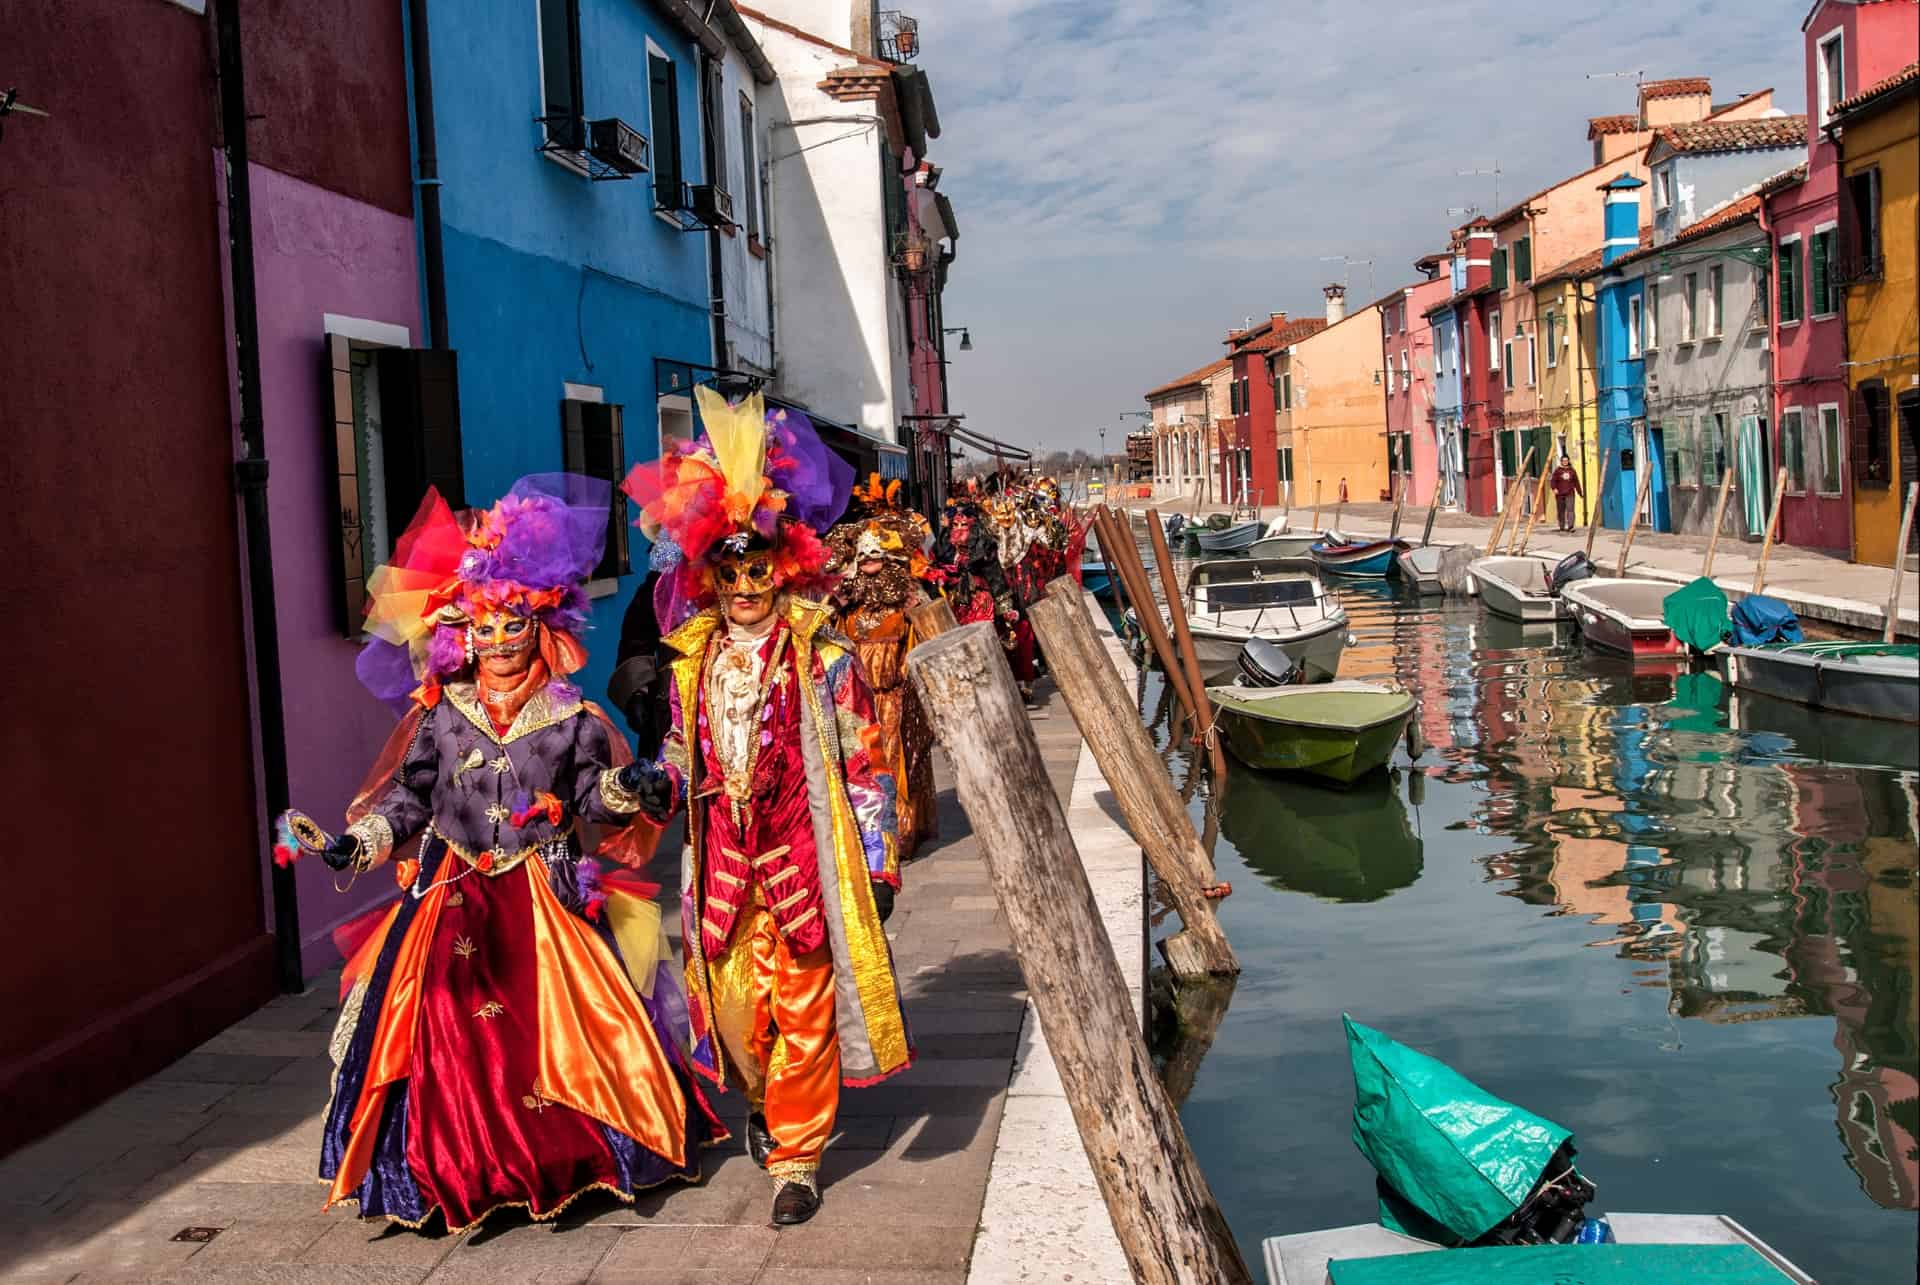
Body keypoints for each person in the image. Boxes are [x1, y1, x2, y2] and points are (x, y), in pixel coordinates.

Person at [287, 474, 722, 1234]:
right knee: (444, 1031)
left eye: (511, 625)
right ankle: (448, 1170)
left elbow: (591, 797)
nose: (494, 643)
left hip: (545, 897)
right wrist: (358, 842)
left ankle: (568, 1156)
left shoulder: (573, 717)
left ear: (541, 624)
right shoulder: (440, 716)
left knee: (566, 1029)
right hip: (450, 892)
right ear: (459, 634)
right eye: (479, 628)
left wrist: (634, 785)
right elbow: (410, 799)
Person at [621, 389, 912, 1226]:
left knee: (807, 1010)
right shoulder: (688, 663)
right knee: (740, 1017)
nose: (746, 584)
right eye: (731, 569)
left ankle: (798, 1158)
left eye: (759, 568)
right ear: (709, 574)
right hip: (722, 870)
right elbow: (680, 757)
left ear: (781, 567)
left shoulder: (824, 657)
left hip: (805, 861)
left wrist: (879, 859)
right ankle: (761, 1098)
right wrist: (654, 784)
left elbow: (865, 761)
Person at [828, 477, 937, 860]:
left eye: (879, 552)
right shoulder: (846, 603)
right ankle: (864, 835)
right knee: (858, 766)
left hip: (893, 696)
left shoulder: (907, 599)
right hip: (854, 700)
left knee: (890, 761)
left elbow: (923, 644)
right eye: (865, 552)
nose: (872, 556)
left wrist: (908, 686)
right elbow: (833, 646)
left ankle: (898, 833)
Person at [1549, 455, 1584, 532]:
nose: (1565, 462)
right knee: (1561, 511)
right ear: (1561, 461)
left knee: (1570, 510)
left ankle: (1571, 526)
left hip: (1570, 493)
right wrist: (1554, 488)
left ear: (1568, 461)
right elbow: (1553, 481)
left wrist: (1580, 493)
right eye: (1563, 461)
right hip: (1560, 494)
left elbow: (1576, 482)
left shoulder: (1572, 471)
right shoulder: (1558, 471)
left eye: (1566, 460)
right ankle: (1562, 526)